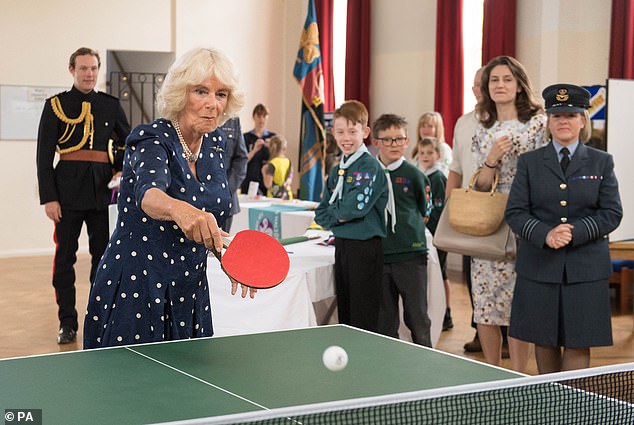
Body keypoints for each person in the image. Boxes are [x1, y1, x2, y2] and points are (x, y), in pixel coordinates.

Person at [83, 47, 255, 349]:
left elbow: (207, 215)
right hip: (138, 282)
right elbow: (150, 196)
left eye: (221, 94)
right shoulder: (151, 138)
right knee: (132, 384)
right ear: (180, 93)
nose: (212, 104)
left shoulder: (215, 142)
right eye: (201, 91)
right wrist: (180, 210)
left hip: (188, 285)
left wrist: (223, 254)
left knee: (186, 386)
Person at [505, 84, 622, 373]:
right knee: (543, 341)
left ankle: (574, 406)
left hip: (586, 269)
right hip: (540, 265)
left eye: (571, 115)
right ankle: (550, 404)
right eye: (557, 116)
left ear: (583, 120)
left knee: (579, 341)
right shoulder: (529, 163)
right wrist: (545, 233)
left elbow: (612, 212)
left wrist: (575, 231)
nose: (564, 121)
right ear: (548, 121)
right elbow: (516, 212)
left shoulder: (601, 162)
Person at [36, 47, 131, 344]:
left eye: (93, 68)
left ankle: (98, 315)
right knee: (64, 259)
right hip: (66, 196)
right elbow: (43, 156)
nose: (89, 74)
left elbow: (128, 144)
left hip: (101, 194)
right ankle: (67, 322)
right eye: (83, 69)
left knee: (102, 258)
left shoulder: (110, 105)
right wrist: (49, 198)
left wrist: (119, 170)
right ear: (72, 70)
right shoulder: (56, 106)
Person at [470, 55, 548, 371]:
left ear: (518, 85)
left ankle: (517, 373)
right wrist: (491, 159)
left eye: (507, 79)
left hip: (528, 220)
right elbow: (480, 185)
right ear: (487, 88)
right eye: (494, 80)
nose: (500, 85)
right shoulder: (482, 128)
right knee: (486, 304)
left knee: (520, 303)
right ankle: (491, 370)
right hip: (490, 222)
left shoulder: (538, 123)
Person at [315, 100, 388, 332]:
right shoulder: (338, 169)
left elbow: (354, 209)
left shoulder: (370, 167)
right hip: (343, 244)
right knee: (345, 309)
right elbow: (321, 213)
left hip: (365, 246)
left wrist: (338, 213)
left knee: (363, 312)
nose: (346, 138)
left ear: (365, 132)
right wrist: (340, 216)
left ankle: (364, 360)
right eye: (340, 132)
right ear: (333, 133)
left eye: (352, 131)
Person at [372, 114, 433, 346]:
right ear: (376, 142)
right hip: (380, 254)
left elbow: (424, 210)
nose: (394, 145)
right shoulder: (370, 174)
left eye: (399, 139)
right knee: (384, 320)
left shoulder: (415, 175)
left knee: (417, 317)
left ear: (407, 142)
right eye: (387, 140)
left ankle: (425, 366)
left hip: (410, 254)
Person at [415, 136, 452, 331]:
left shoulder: (438, 178)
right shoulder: (421, 174)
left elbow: (438, 208)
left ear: (438, 155)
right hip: (425, 234)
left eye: (430, 152)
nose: (425, 156)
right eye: (422, 152)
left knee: (441, 274)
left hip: (437, 234)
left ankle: (446, 312)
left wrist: (426, 223)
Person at [218, 117, 248, 232]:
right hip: (199, 197)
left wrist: (227, 189)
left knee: (223, 247)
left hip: (227, 198)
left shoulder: (233, 120)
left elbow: (241, 158)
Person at [240, 103, 276, 196]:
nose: (261, 119)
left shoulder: (273, 138)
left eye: (264, 116)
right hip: (249, 181)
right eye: (259, 116)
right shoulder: (246, 137)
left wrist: (271, 148)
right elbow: (242, 161)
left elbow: (277, 161)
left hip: (266, 183)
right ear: (254, 117)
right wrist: (254, 150)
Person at [412, 112, 452, 176]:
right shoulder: (416, 150)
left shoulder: (443, 148)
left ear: (438, 129)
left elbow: (446, 173)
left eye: (430, 126)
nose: (425, 129)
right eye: (423, 126)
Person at [261, 135, 293, 199]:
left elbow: (268, 184)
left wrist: (264, 173)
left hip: (274, 198)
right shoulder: (289, 162)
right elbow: (290, 180)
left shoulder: (272, 164)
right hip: (288, 196)